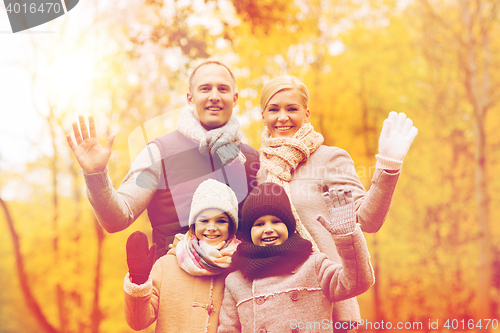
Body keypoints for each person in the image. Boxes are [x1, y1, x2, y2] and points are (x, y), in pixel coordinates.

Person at [257, 75, 418, 329]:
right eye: (274, 109)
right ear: (263, 115)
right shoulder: (261, 171)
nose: (283, 117)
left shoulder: (329, 159)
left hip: (327, 302)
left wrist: (388, 166)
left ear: (307, 114)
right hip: (277, 310)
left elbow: (367, 220)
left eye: (292, 108)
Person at [66, 61, 260, 259]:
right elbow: (117, 218)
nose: (214, 96)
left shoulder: (251, 159)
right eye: (205, 89)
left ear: (235, 98)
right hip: (174, 282)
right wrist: (96, 174)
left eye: (223, 89)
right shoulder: (159, 153)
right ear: (190, 98)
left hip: (236, 285)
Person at [217, 182, 374, 333]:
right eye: (259, 224)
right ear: (249, 232)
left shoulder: (314, 265)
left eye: (276, 221)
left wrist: (348, 237)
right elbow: (228, 330)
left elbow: (358, 282)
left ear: (289, 226)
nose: (268, 229)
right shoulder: (235, 281)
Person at [124, 179, 241, 333]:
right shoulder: (166, 266)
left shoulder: (239, 268)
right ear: (194, 224)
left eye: (221, 221)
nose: (211, 227)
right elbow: (137, 322)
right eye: (204, 220)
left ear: (231, 226)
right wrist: (138, 280)